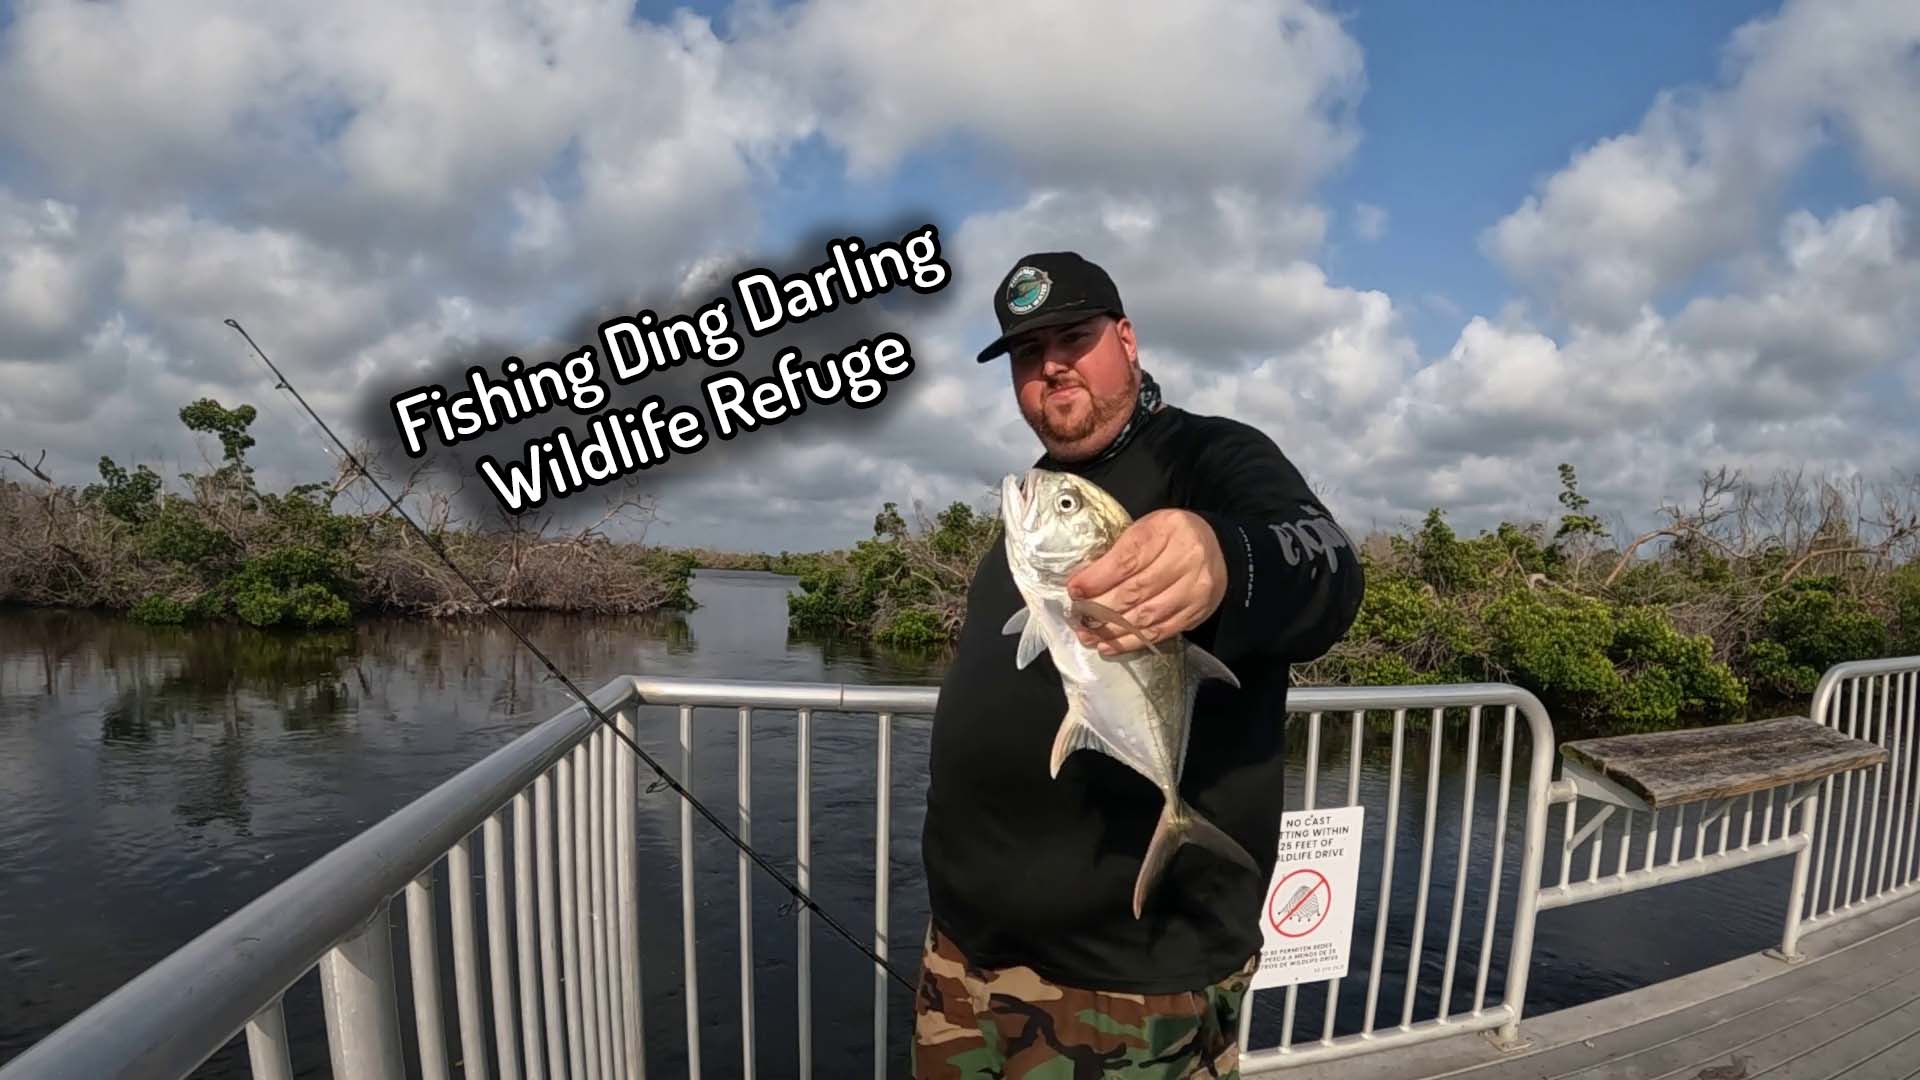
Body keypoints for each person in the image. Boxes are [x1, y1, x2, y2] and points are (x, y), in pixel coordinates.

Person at [913, 251, 1366, 1078]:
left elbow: (1331, 566)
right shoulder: (1041, 501)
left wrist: (1225, 555)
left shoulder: (1212, 457)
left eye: (1074, 338)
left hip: (1129, 985)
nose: (1049, 365)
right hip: (962, 960)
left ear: (1126, 338)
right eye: (1025, 352)